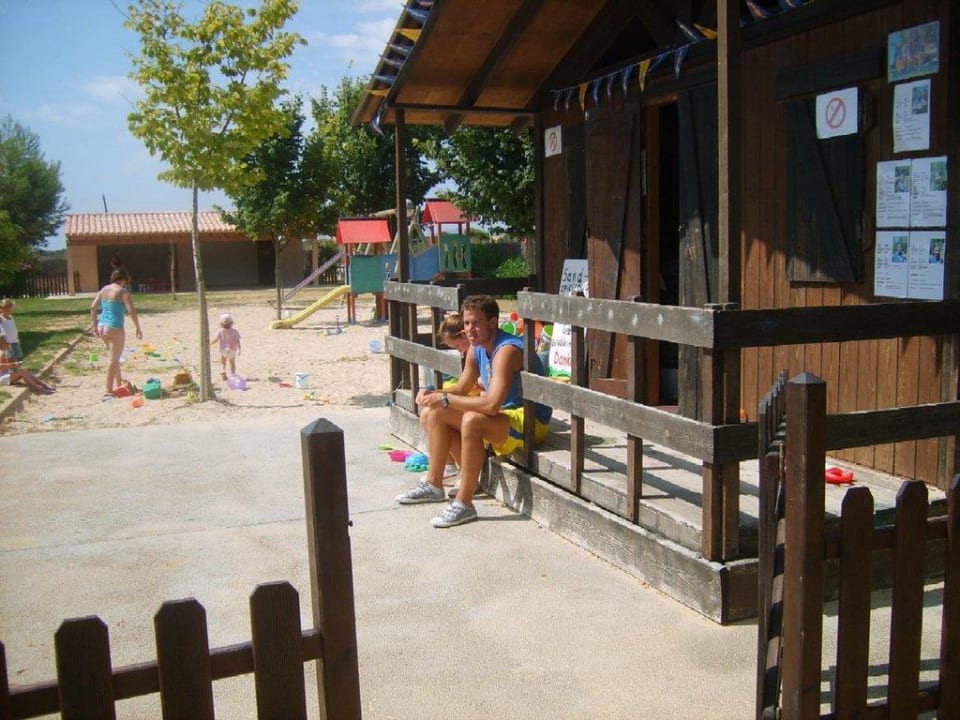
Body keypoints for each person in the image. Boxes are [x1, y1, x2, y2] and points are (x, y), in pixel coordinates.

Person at [397, 295, 552, 528]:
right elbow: (461, 388)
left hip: (529, 420)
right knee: (433, 412)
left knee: (470, 420)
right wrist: (430, 393)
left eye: (476, 323)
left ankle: (464, 503)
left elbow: (491, 405)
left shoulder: (507, 350)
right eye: (467, 323)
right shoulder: (476, 348)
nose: (470, 329)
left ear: (493, 323)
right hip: (500, 418)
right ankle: (434, 484)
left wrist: (446, 399)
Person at [90, 267, 143, 398]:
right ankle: (108, 389)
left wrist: (95, 326)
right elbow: (132, 311)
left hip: (102, 325)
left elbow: (93, 307)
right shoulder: (122, 292)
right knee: (114, 359)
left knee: (115, 357)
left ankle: (119, 382)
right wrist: (138, 327)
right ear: (124, 279)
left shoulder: (104, 290)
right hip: (115, 327)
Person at [210, 312, 241, 380]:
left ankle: (223, 370)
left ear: (221, 324)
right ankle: (233, 375)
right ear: (231, 323)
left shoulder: (220, 331)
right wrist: (239, 349)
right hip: (232, 349)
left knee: (223, 362)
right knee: (232, 363)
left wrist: (210, 343)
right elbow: (238, 340)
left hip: (223, 349)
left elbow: (216, 339)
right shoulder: (235, 331)